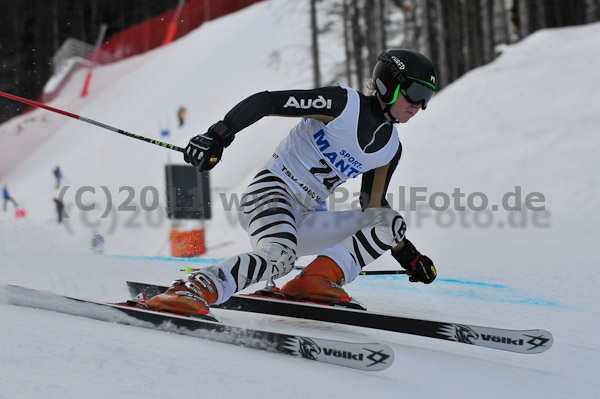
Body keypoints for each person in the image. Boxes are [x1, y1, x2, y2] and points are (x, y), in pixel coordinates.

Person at [146, 49, 439, 315]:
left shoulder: (390, 148)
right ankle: (195, 287)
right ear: (389, 84)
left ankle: (314, 280)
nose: (418, 106)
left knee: (391, 222)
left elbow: (372, 205)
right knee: (279, 257)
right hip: (271, 194)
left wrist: (410, 257)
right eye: (414, 93)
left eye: (426, 98)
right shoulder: (343, 105)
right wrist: (218, 135)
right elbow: (268, 102)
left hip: (307, 217)